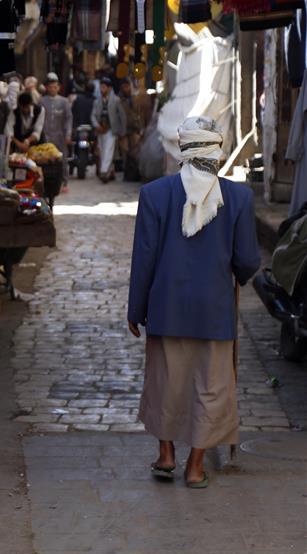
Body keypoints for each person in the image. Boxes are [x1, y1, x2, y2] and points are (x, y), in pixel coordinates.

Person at [127, 116, 261, 489]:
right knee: (211, 386)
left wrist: (135, 309)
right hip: (215, 311)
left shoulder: (154, 195)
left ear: (184, 151)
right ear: (216, 153)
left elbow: (145, 258)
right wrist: (237, 270)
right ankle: (196, 466)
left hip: (167, 308)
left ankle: (166, 454)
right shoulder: (238, 198)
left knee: (166, 383)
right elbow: (248, 259)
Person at [40, 72, 73, 186]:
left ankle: (64, 181)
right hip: (46, 135)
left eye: (55, 87)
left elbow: (69, 119)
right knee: (45, 159)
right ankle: (46, 182)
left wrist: (68, 134)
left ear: (58, 88)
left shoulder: (64, 102)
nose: (53, 89)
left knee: (62, 159)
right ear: (47, 88)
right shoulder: (42, 101)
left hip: (60, 135)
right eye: (50, 87)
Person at [91, 77, 126, 183]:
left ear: (109, 88)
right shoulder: (97, 101)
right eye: (101, 87)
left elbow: (122, 116)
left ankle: (104, 172)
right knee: (102, 151)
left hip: (111, 130)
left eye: (104, 87)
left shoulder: (116, 100)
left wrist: (122, 131)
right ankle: (110, 171)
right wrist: (96, 125)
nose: (102, 89)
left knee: (108, 150)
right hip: (100, 129)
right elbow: (92, 115)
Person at [117, 79, 144, 181]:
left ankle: (135, 171)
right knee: (125, 152)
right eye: (124, 87)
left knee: (135, 150)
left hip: (134, 129)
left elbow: (138, 113)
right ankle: (127, 172)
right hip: (123, 130)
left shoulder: (134, 99)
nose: (126, 89)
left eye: (127, 87)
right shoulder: (118, 100)